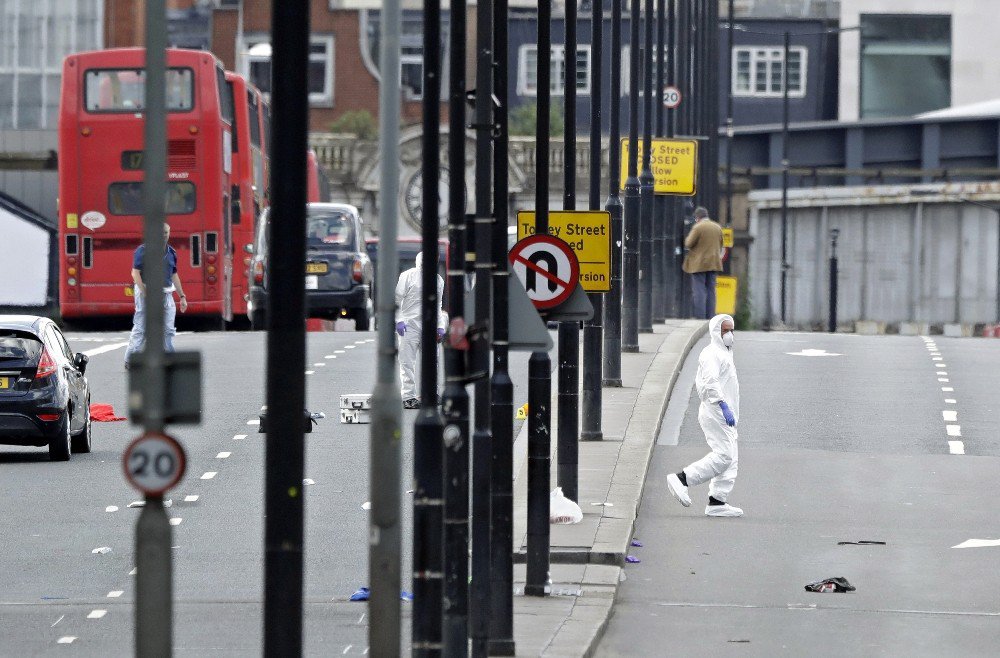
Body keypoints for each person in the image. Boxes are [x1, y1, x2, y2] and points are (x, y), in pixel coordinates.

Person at [666, 314, 743, 517]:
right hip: (716, 411)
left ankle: (717, 501)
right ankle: (682, 478)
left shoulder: (725, 353)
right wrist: (722, 404)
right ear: (716, 331)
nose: (729, 334)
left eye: (731, 330)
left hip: (725, 412)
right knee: (724, 455)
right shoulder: (711, 354)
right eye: (725, 330)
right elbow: (710, 382)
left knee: (731, 457)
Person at [124, 223, 187, 369]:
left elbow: (174, 274)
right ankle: (130, 359)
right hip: (145, 289)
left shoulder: (172, 253)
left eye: (166, 232)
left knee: (168, 329)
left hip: (166, 292)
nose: (163, 235)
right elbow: (135, 273)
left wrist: (182, 296)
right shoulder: (143, 251)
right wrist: (145, 293)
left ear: (169, 233)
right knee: (141, 327)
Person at [395, 251, 445, 409]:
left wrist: (440, 326)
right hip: (409, 326)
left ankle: (430, 393)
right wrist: (399, 320)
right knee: (407, 362)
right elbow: (396, 299)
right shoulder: (408, 276)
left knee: (432, 361)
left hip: (429, 326)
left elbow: (438, 306)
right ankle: (408, 396)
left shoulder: (438, 280)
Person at [682, 206, 724, 319]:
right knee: (711, 290)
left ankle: (700, 316)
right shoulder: (717, 227)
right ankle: (711, 316)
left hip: (699, 263)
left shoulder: (698, 227)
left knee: (699, 289)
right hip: (714, 263)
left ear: (697, 217)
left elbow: (688, 243)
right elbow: (721, 244)